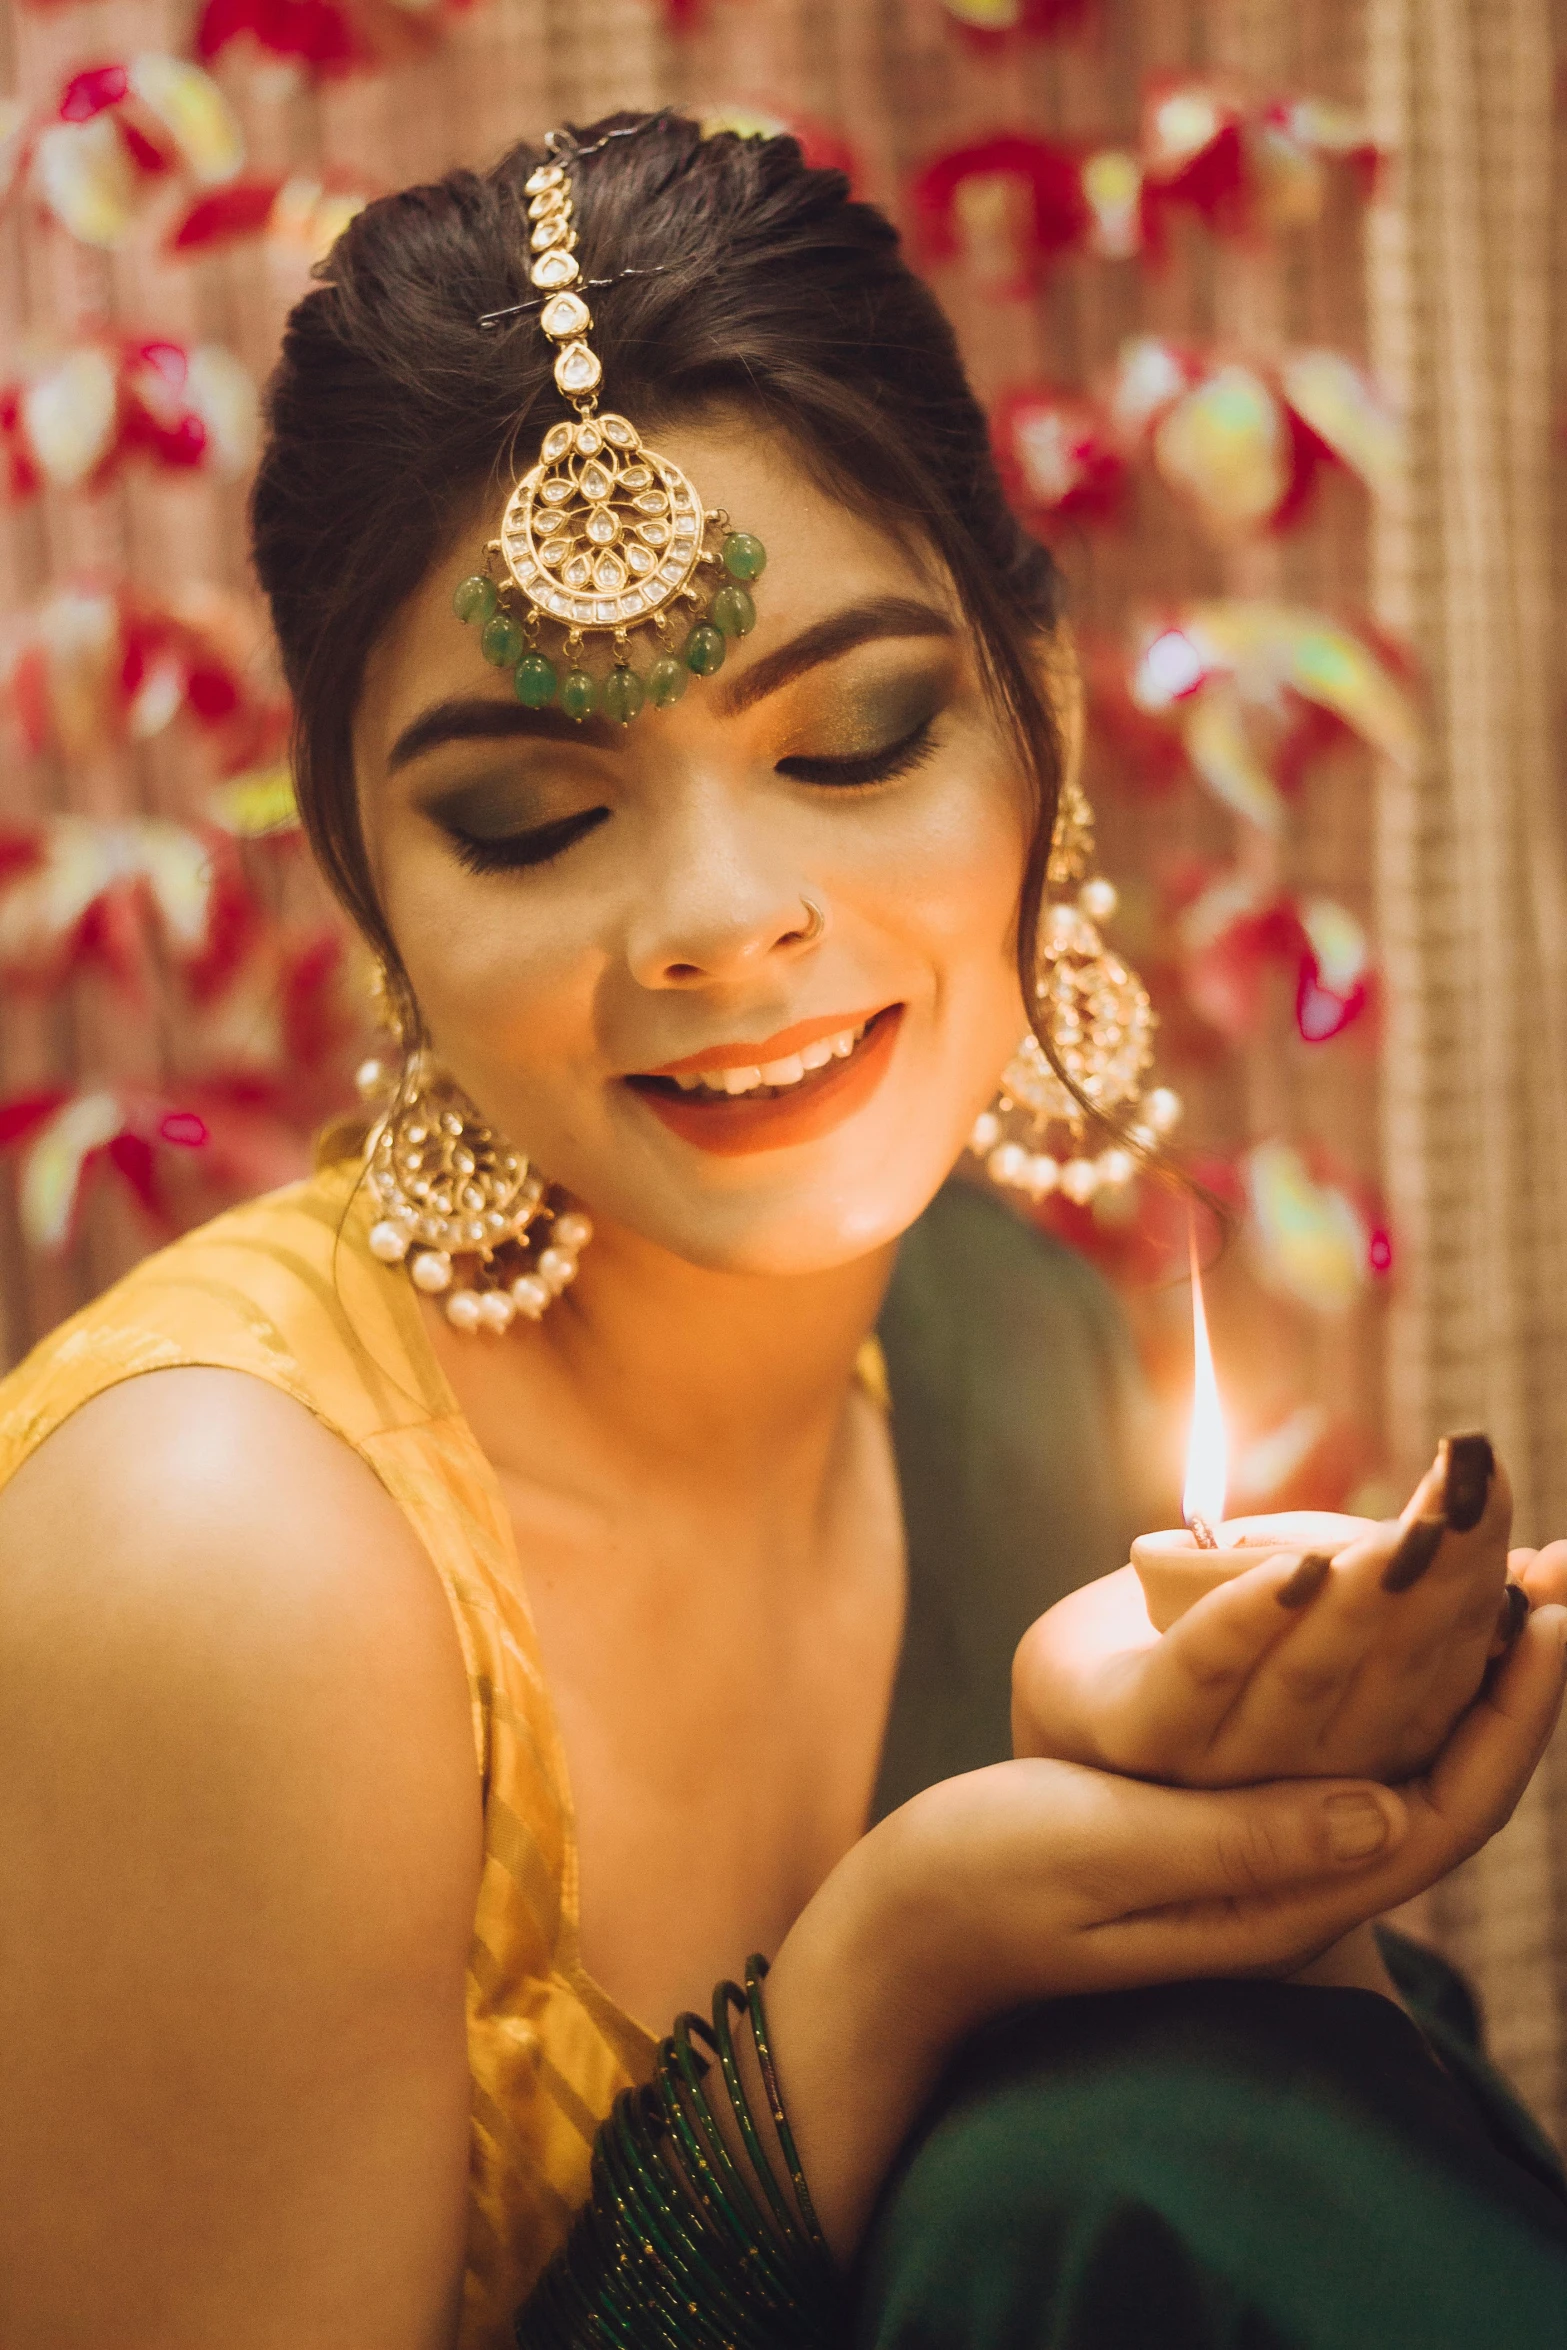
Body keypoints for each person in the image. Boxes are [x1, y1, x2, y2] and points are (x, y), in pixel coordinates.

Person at [1, 111, 1565, 2350]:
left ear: (1044, 713)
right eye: (535, 815)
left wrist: (1262, 1893)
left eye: (854, 738)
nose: (724, 926)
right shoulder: (216, 1559)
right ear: (366, 876)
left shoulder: (998, 1332)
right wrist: (896, 1962)